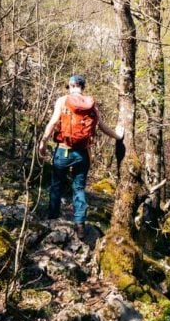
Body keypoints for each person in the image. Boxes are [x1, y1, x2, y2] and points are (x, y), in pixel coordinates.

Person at [38, 75, 123, 224]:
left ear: (71, 85)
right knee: (79, 188)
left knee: (57, 184)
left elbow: (52, 123)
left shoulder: (62, 101)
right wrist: (118, 136)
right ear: (83, 87)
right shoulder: (91, 104)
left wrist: (43, 141)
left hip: (63, 150)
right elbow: (101, 126)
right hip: (83, 153)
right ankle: (80, 224)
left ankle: (52, 219)